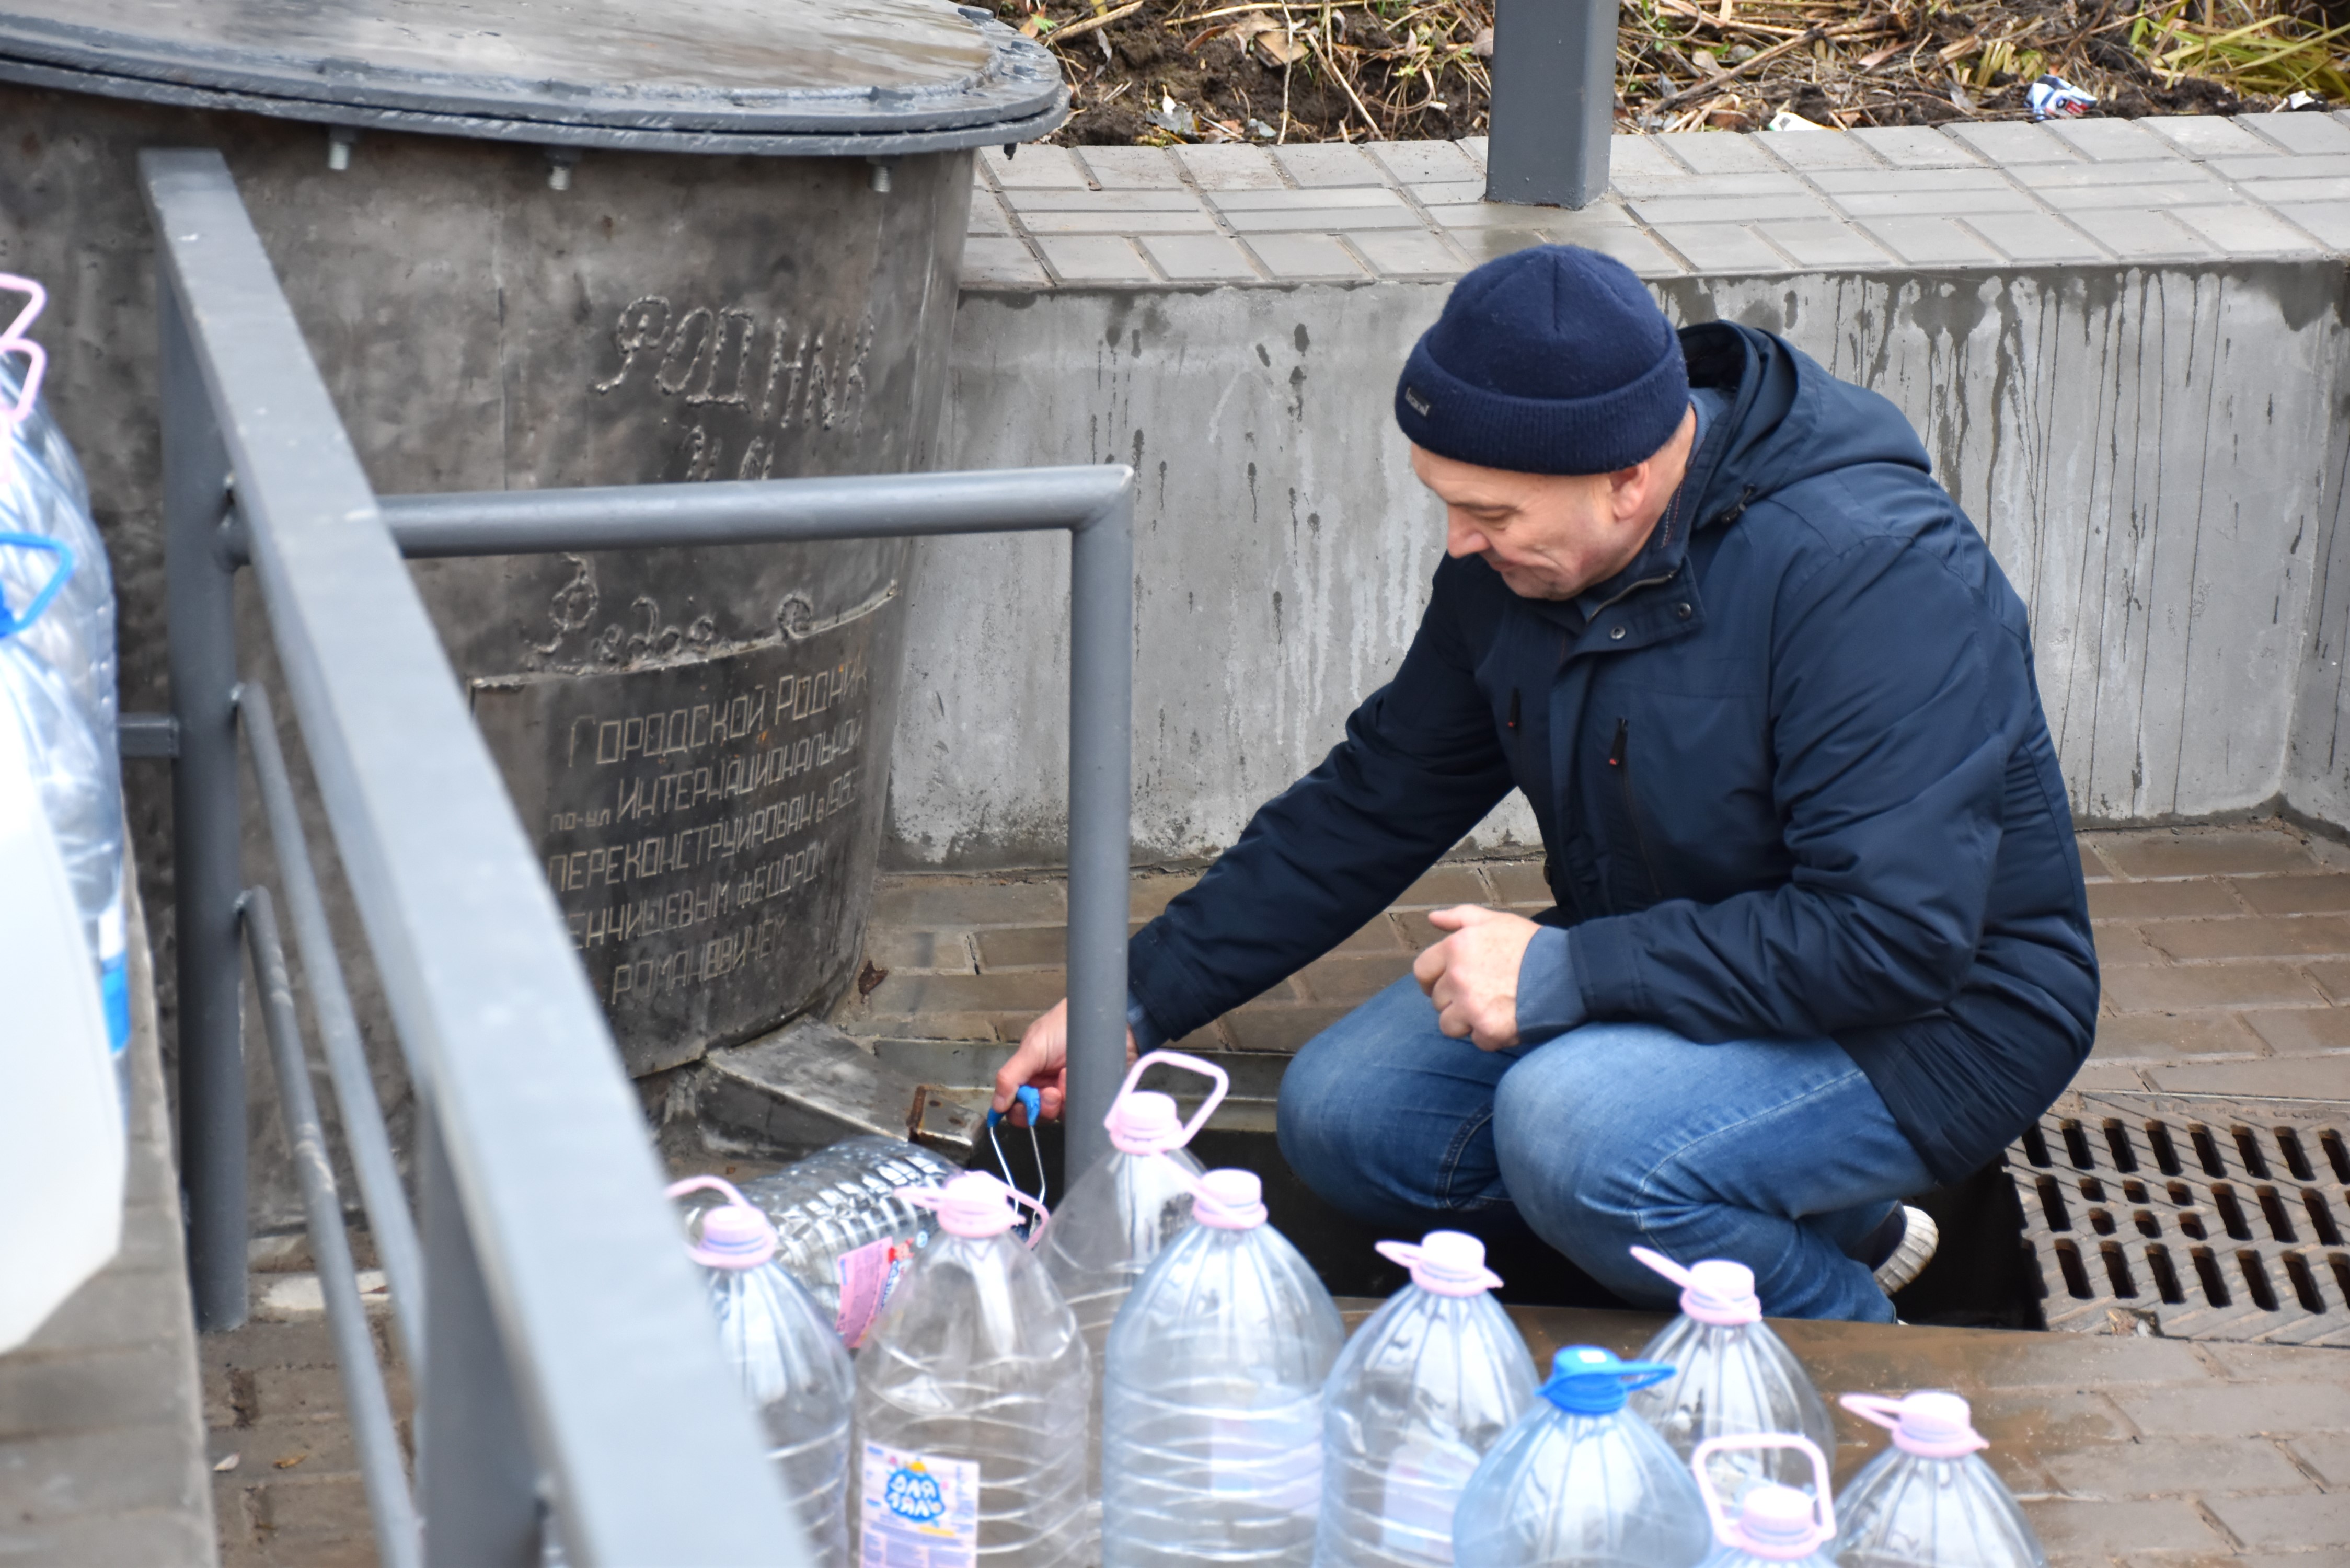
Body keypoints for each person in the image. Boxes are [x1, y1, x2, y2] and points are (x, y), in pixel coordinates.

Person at [992, 244, 2098, 1323]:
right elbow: (1375, 798)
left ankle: (1853, 1350)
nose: (1458, 543)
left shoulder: (1872, 578)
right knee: (1347, 1117)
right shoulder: (1522, 567)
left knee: (1574, 1136)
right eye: (1444, 501)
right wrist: (1134, 1000)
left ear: (1627, 482)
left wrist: (1571, 970)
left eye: (1491, 514)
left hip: (1939, 1016)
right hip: (1699, 956)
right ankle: (1815, 1218)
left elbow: (1892, 937)